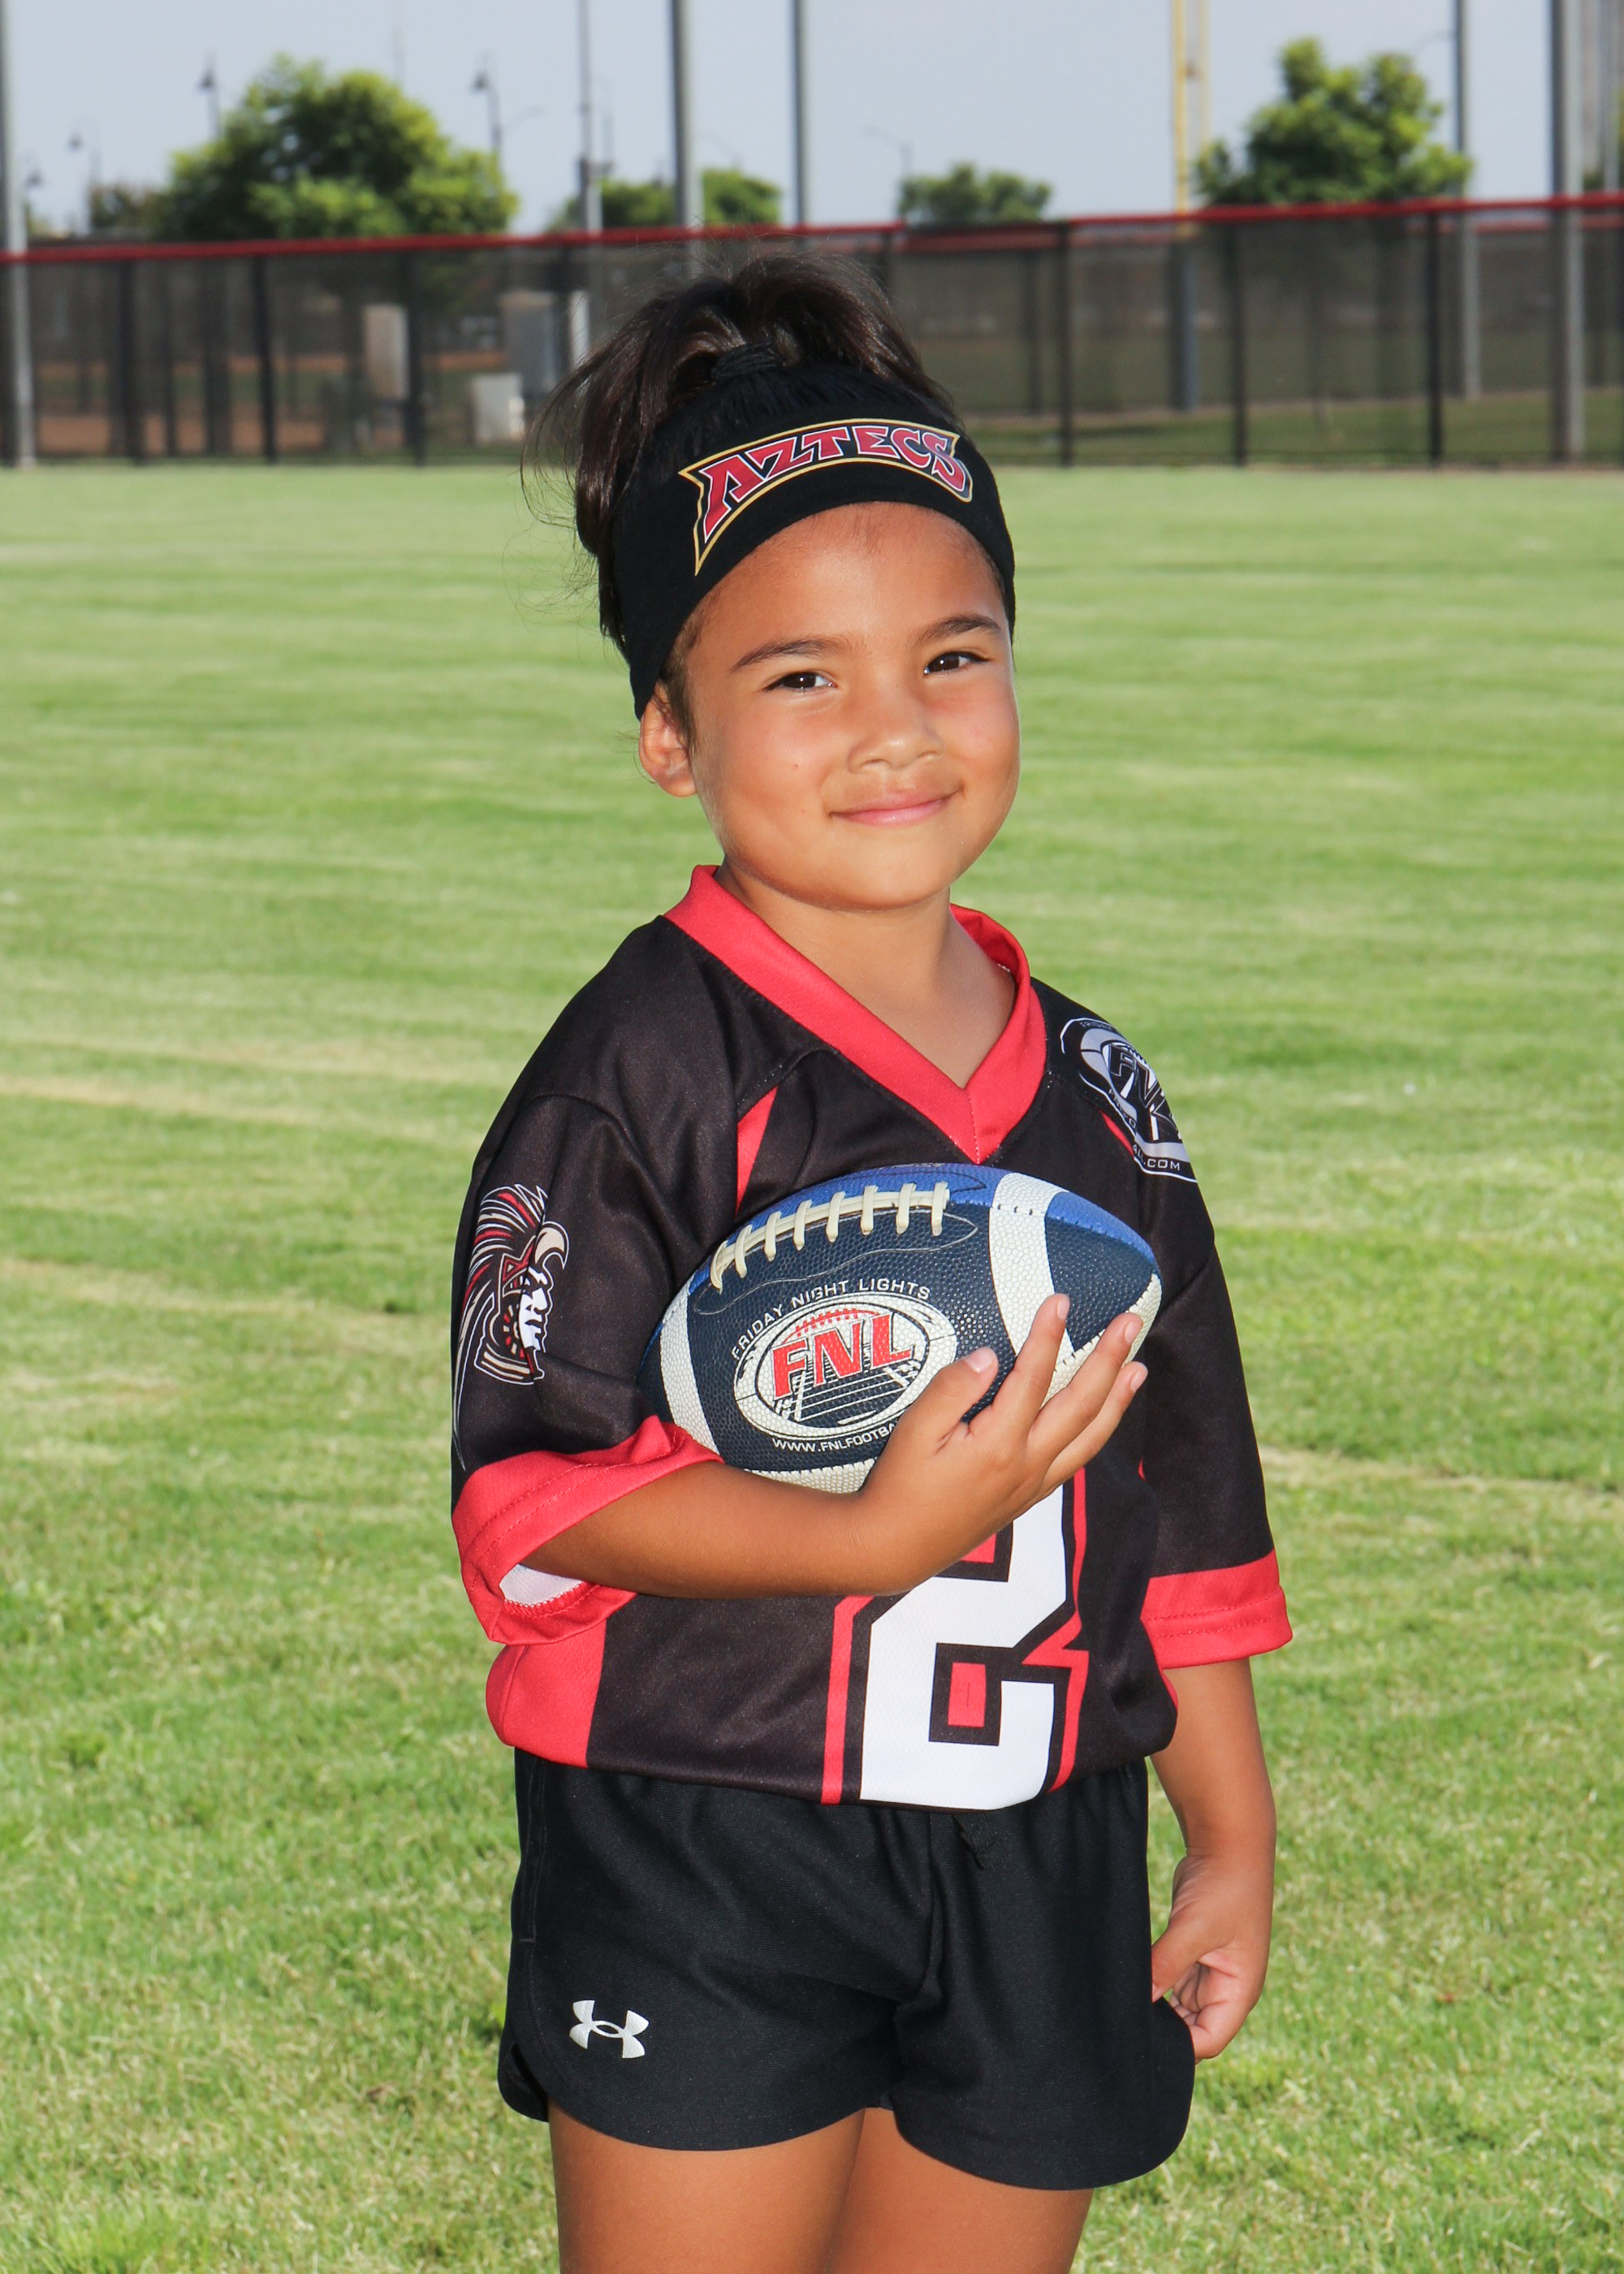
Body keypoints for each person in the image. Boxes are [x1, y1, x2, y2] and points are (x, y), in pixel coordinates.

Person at [450, 253, 1290, 2274]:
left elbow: (1177, 1504)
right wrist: (863, 1536)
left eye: (952, 653)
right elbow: (531, 1497)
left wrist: (1233, 1827)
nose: (895, 729)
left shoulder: (1102, 1094)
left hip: (1039, 1834)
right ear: (668, 730)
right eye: (800, 677)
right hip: (706, 1829)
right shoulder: (636, 1075)